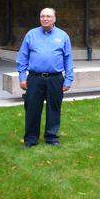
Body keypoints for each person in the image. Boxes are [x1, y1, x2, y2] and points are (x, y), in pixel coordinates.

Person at [17, 8, 74, 148]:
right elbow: (22, 57)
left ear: (54, 18)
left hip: (55, 79)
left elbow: (68, 59)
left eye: (48, 16)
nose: (45, 18)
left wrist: (68, 79)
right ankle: (30, 139)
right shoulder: (31, 35)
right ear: (40, 18)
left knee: (54, 108)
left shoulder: (63, 36)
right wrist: (22, 77)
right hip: (35, 78)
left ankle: (51, 137)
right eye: (42, 16)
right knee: (32, 109)